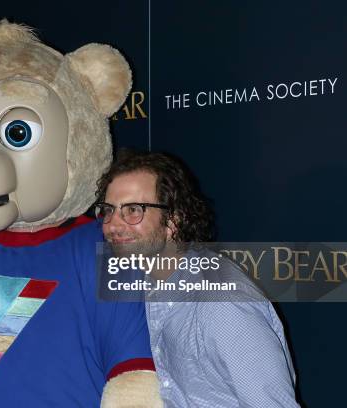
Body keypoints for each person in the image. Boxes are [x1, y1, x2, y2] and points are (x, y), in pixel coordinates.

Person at [95, 149, 300, 407]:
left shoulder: (223, 304)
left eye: (133, 210)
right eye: (108, 210)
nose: (112, 224)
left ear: (173, 222)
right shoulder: (145, 280)